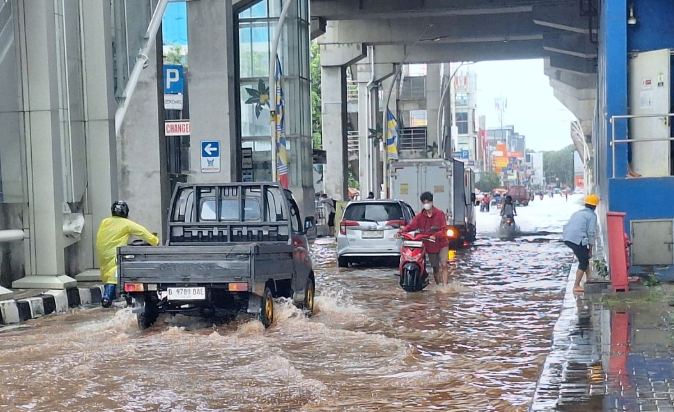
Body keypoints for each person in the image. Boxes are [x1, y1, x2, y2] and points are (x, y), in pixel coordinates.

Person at [96, 201, 159, 308]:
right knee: (115, 273)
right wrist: (155, 241)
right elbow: (142, 232)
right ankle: (107, 297)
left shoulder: (104, 222)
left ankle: (110, 297)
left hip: (103, 254)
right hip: (115, 253)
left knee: (108, 273)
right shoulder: (126, 224)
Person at [399, 192, 450, 285]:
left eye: (428, 202)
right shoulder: (419, 217)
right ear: (422, 203)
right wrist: (401, 232)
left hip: (442, 244)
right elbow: (411, 226)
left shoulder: (440, 214)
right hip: (430, 246)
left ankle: (445, 287)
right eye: (425, 202)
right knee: (435, 268)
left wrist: (435, 235)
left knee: (444, 264)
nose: (427, 204)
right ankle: (438, 285)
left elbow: (444, 230)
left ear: (432, 202)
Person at [563, 194, 599, 294]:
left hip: (567, 237)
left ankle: (589, 277)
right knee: (583, 261)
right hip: (577, 238)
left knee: (584, 256)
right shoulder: (592, 216)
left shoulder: (578, 213)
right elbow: (591, 233)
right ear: (595, 206)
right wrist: (591, 250)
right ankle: (576, 286)